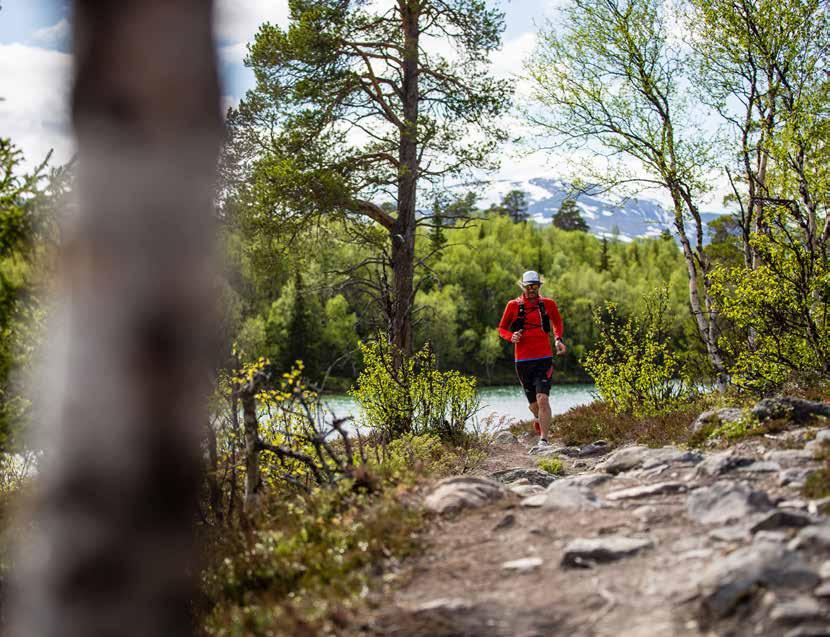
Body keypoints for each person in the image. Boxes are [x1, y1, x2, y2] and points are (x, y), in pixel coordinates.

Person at [497, 270, 566, 446]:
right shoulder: (513, 305)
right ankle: (536, 417)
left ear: (539, 286)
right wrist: (510, 337)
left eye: (535, 286)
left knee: (543, 399)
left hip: (543, 358)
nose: (532, 290)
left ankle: (544, 440)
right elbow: (502, 328)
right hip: (522, 361)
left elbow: (557, 322)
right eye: (529, 287)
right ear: (523, 287)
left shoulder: (548, 304)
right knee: (534, 405)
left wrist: (558, 339)